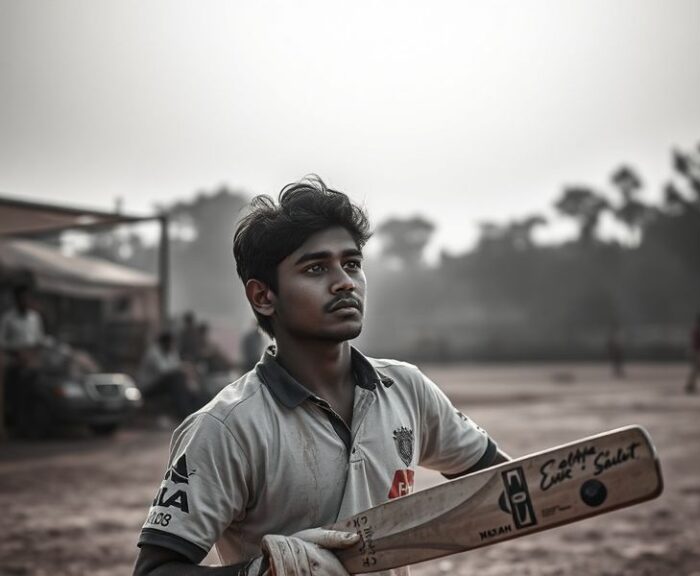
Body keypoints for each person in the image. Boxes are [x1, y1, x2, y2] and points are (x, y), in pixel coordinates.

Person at [133, 176, 509, 576]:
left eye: (352, 264)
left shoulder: (406, 389)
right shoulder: (226, 427)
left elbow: (508, 483)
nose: (345, 281)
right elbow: (154, 571)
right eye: (315, 268)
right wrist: (262, 573)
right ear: (263, 296)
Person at [0, 285, 46, 431]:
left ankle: (31, 424)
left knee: (35, 390)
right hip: (14, 358)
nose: (25, 301)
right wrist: (17, 352)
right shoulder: (8, 318)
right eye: (22, 299)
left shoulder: (34, 317)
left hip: (32, 359)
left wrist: (33, 352)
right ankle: (15, 422)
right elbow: (2, 341)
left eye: (28, 298)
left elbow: (40, 339)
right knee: (16, 392)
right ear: (17, 300)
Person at [138, 331, 202, 421]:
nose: (173, 346)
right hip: (148, 387)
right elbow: (164, 370)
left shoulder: (171, 351)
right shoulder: (153, 352)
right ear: (165, 343)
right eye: (171, 343)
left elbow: (176, 366)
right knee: (176, 378)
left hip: (163, 385)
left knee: (184, 382)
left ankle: (192, 412)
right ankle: (184, 414)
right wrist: (183, 368)